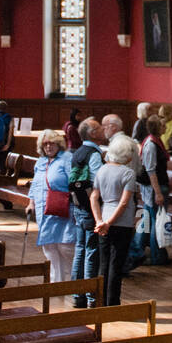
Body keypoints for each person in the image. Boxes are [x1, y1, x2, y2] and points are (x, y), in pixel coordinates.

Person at [91, 134, 141, 308]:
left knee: (103, 263)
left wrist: (100, 220)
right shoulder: (128, 173)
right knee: (116, 265)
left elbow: (94, 197)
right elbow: (125, 202)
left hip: (103, 221)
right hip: (122, 224)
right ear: (128, 156)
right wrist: (109, 223)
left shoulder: (102, 170)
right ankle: (112, 304)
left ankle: (100, 301)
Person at [29, 129, 78, 282]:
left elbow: (74, 183)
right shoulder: (41, 161)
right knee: (49, 247)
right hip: (43, 210)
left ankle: (73, 282)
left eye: (52, 143)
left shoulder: (67, 158)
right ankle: (55, 282)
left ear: (59, 144)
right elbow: (35, 185)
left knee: (66, 246)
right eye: (45, 144)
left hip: (62, 209)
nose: (48, 147)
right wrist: (31, 202)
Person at [68, 117, 104, 308]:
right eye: (99, 127)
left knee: (80, 250)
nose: (103, 129)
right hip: (91, 209)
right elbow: (99, 182)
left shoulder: (76, 152)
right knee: (92, 251)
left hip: (77, 206)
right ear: (92, 133)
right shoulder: (94, 154)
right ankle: (91, 299)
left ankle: (77, 295)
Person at [129, 115, 171, 268]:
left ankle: (136, 252)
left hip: (151, 189)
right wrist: (158, 193)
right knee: (156, 223)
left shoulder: (152, 141)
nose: (165, 127)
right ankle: (157, 256)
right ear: (157, 127)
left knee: (146, 221)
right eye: (163, 125)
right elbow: (151, 171)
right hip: (154, 189)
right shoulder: (152, 145)